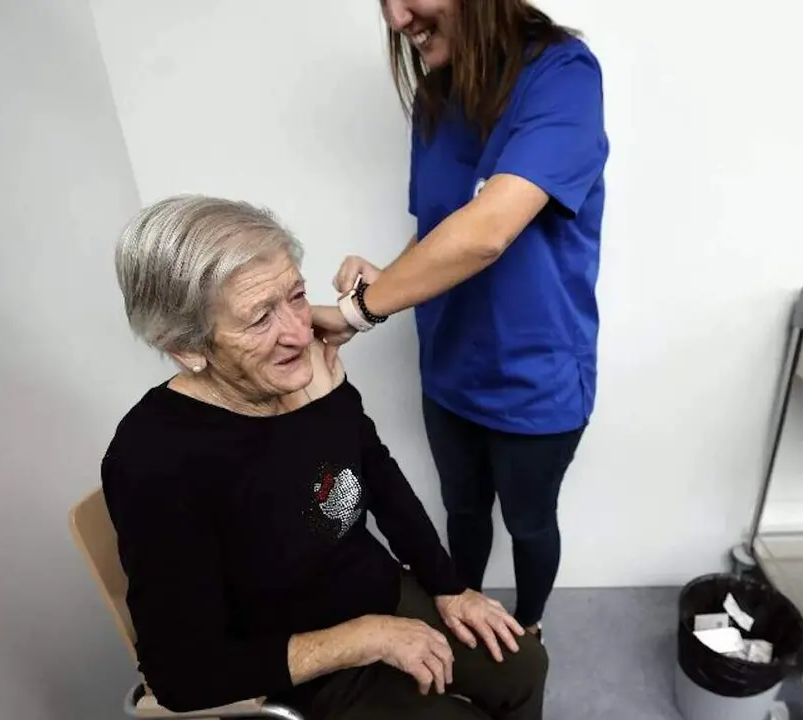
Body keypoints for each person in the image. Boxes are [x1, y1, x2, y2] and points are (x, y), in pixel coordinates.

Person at [103, 195, 547, 720]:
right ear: (187, 347)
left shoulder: (305, 374)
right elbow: (182, 675)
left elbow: (376, 478)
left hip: (370, 591)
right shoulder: (154, 461)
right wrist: (366, 638)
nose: (297, 332)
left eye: (295, 296)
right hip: (288, 662)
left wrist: (450, 588)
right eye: (259, 318)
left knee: (523, 663)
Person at [313, 0, 608, 637]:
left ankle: (528, 629)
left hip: (538, 378)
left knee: (530, 523)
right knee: (463, 511)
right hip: (448, 369)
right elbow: (438, 234)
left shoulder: (563, 75)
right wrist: (382, 279)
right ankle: (461, 613)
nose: (395, 18)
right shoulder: (433, 101)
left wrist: (359, 311)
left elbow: (487, 232)